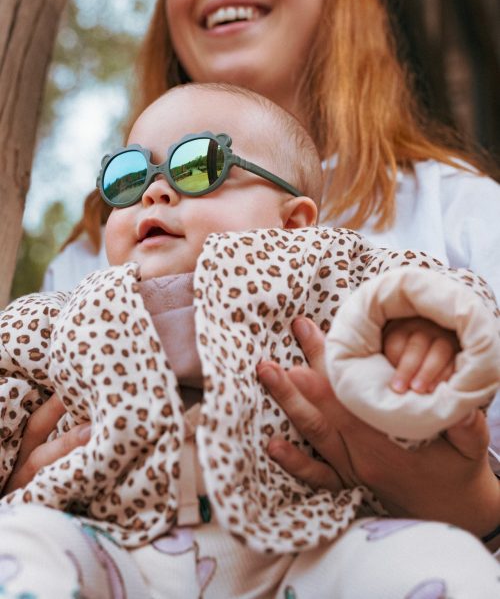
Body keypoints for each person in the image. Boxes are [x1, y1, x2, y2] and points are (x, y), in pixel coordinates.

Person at [28, 0, 500, 567]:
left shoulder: (457, 209)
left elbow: (459, 315)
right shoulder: (99, 251)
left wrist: (472, 507)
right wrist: (22, 486)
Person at [2, 83, 500, 598]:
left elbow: (438, 287)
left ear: (294, 225)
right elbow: (8, 379)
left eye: (197, 167)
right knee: (20, 544)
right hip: (118, 550)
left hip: (306, 544)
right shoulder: (69, 317)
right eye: (128, 178)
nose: (155, 192)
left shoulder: (328, 277)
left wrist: (426, 324)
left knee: (444, 562)